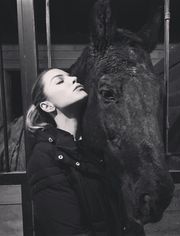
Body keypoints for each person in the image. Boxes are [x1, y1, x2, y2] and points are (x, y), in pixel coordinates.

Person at [25, 68, 126, 236]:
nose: (73, 79)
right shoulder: (44, 157)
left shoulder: (93, 148)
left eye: (70, 76)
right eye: (59, 81)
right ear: (47, 105)